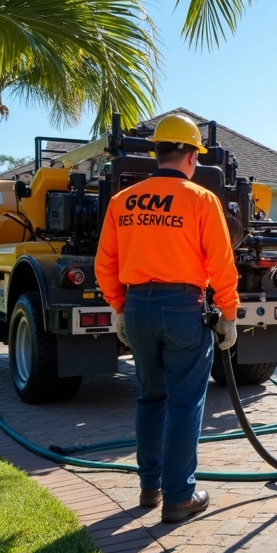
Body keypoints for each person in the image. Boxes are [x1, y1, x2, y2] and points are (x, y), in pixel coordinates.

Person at [95, 113, 240, 522]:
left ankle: (150, 487)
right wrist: (228, 315)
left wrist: (119, 306)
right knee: (185, 403)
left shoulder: (123, 201)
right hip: (183, 307)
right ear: (192, 156)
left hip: (138, 306)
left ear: (157, 152)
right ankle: (179, 497)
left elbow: (105, 262)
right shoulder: (201, 200)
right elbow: (222, 265)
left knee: (150, 397)